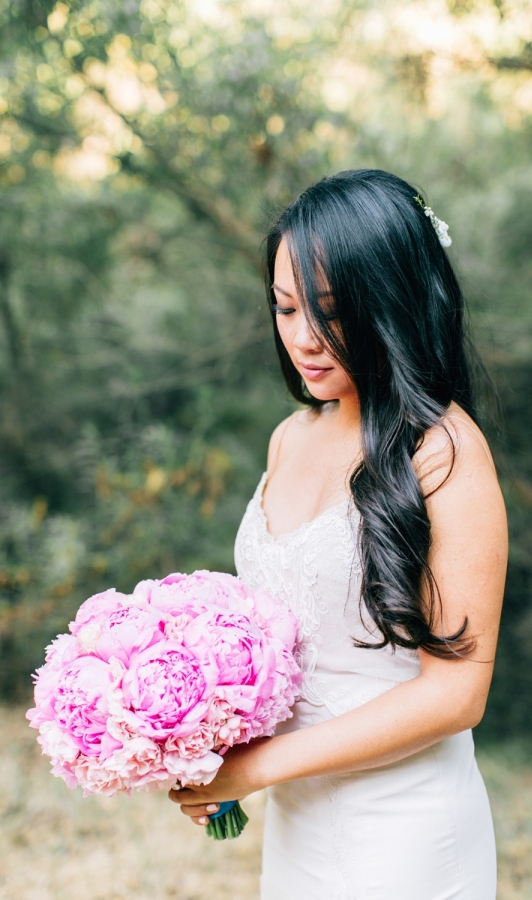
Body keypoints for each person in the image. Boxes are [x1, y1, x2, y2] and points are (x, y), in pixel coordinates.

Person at [169, 169, 508, 900]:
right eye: (286, 308)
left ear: (391, 300)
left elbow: (457, 695)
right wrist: (215, 731)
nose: (303, 337)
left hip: (406, 830)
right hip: (299, 823)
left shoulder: (443, 449)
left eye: (330, 311)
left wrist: (255, 767)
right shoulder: (289, 437)